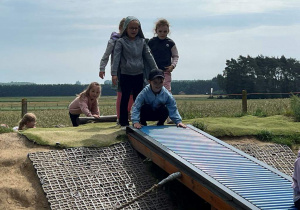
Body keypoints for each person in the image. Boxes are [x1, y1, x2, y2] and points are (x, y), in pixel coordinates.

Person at [111, 16, 158, 127]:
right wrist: (114, 74)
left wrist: (156, 71)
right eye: (131, 28)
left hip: (138, 74)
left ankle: (139, 120)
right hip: (125, 74)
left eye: (136, 28)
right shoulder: (121, 42)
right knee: (125, 98)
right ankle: (123, 121)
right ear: (126, 29)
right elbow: (116, 58)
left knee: (139, 98)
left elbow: (149, 56)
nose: (134, 30)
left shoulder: (142, 42)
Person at [99, 18, 134, 124]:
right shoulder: (113, 40)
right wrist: (102, 68)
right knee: (121, 94)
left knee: (132, 94)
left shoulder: (131, 40)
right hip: (118, 71)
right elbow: (106, 55)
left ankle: (127, 111)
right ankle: (120, 117)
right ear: (120, 28)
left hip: (131, 70)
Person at [148, 18, 179, 93]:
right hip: (153, 71)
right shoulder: (151, 42)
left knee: (166, 90)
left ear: (168, 31)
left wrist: (172, 66)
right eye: (160, 31)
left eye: (165, 31)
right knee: (152, 90)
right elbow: (147, 55)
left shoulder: (170, 43)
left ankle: (167, 104)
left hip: (165, 71)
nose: (162, 33)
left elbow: (175, 56)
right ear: (156, 31)